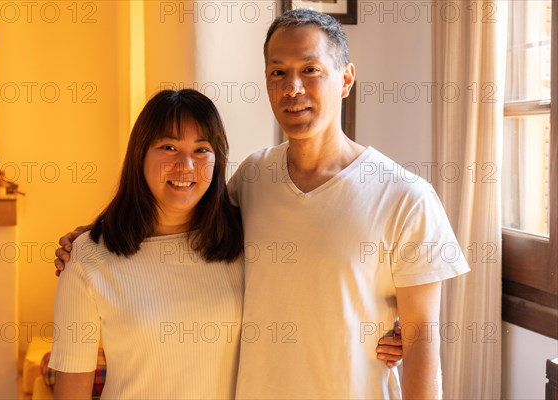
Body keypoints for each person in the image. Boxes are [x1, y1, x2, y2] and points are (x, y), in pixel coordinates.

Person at [54, 9, 466, 398]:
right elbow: (178, 210)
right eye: (277, 72)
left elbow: (421, 342)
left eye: (310, 70)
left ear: (346, 79)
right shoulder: (252, 179)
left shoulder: (406, 198)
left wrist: (399, 334)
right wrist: (93, 238)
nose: (293, 88)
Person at [49, 89, 245, 399]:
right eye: (168, 146)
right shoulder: (88, 257)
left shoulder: (244, 244)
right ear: (140, 153)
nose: (186, 165)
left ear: (218, 159)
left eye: (201, 149)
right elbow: (71, 391)